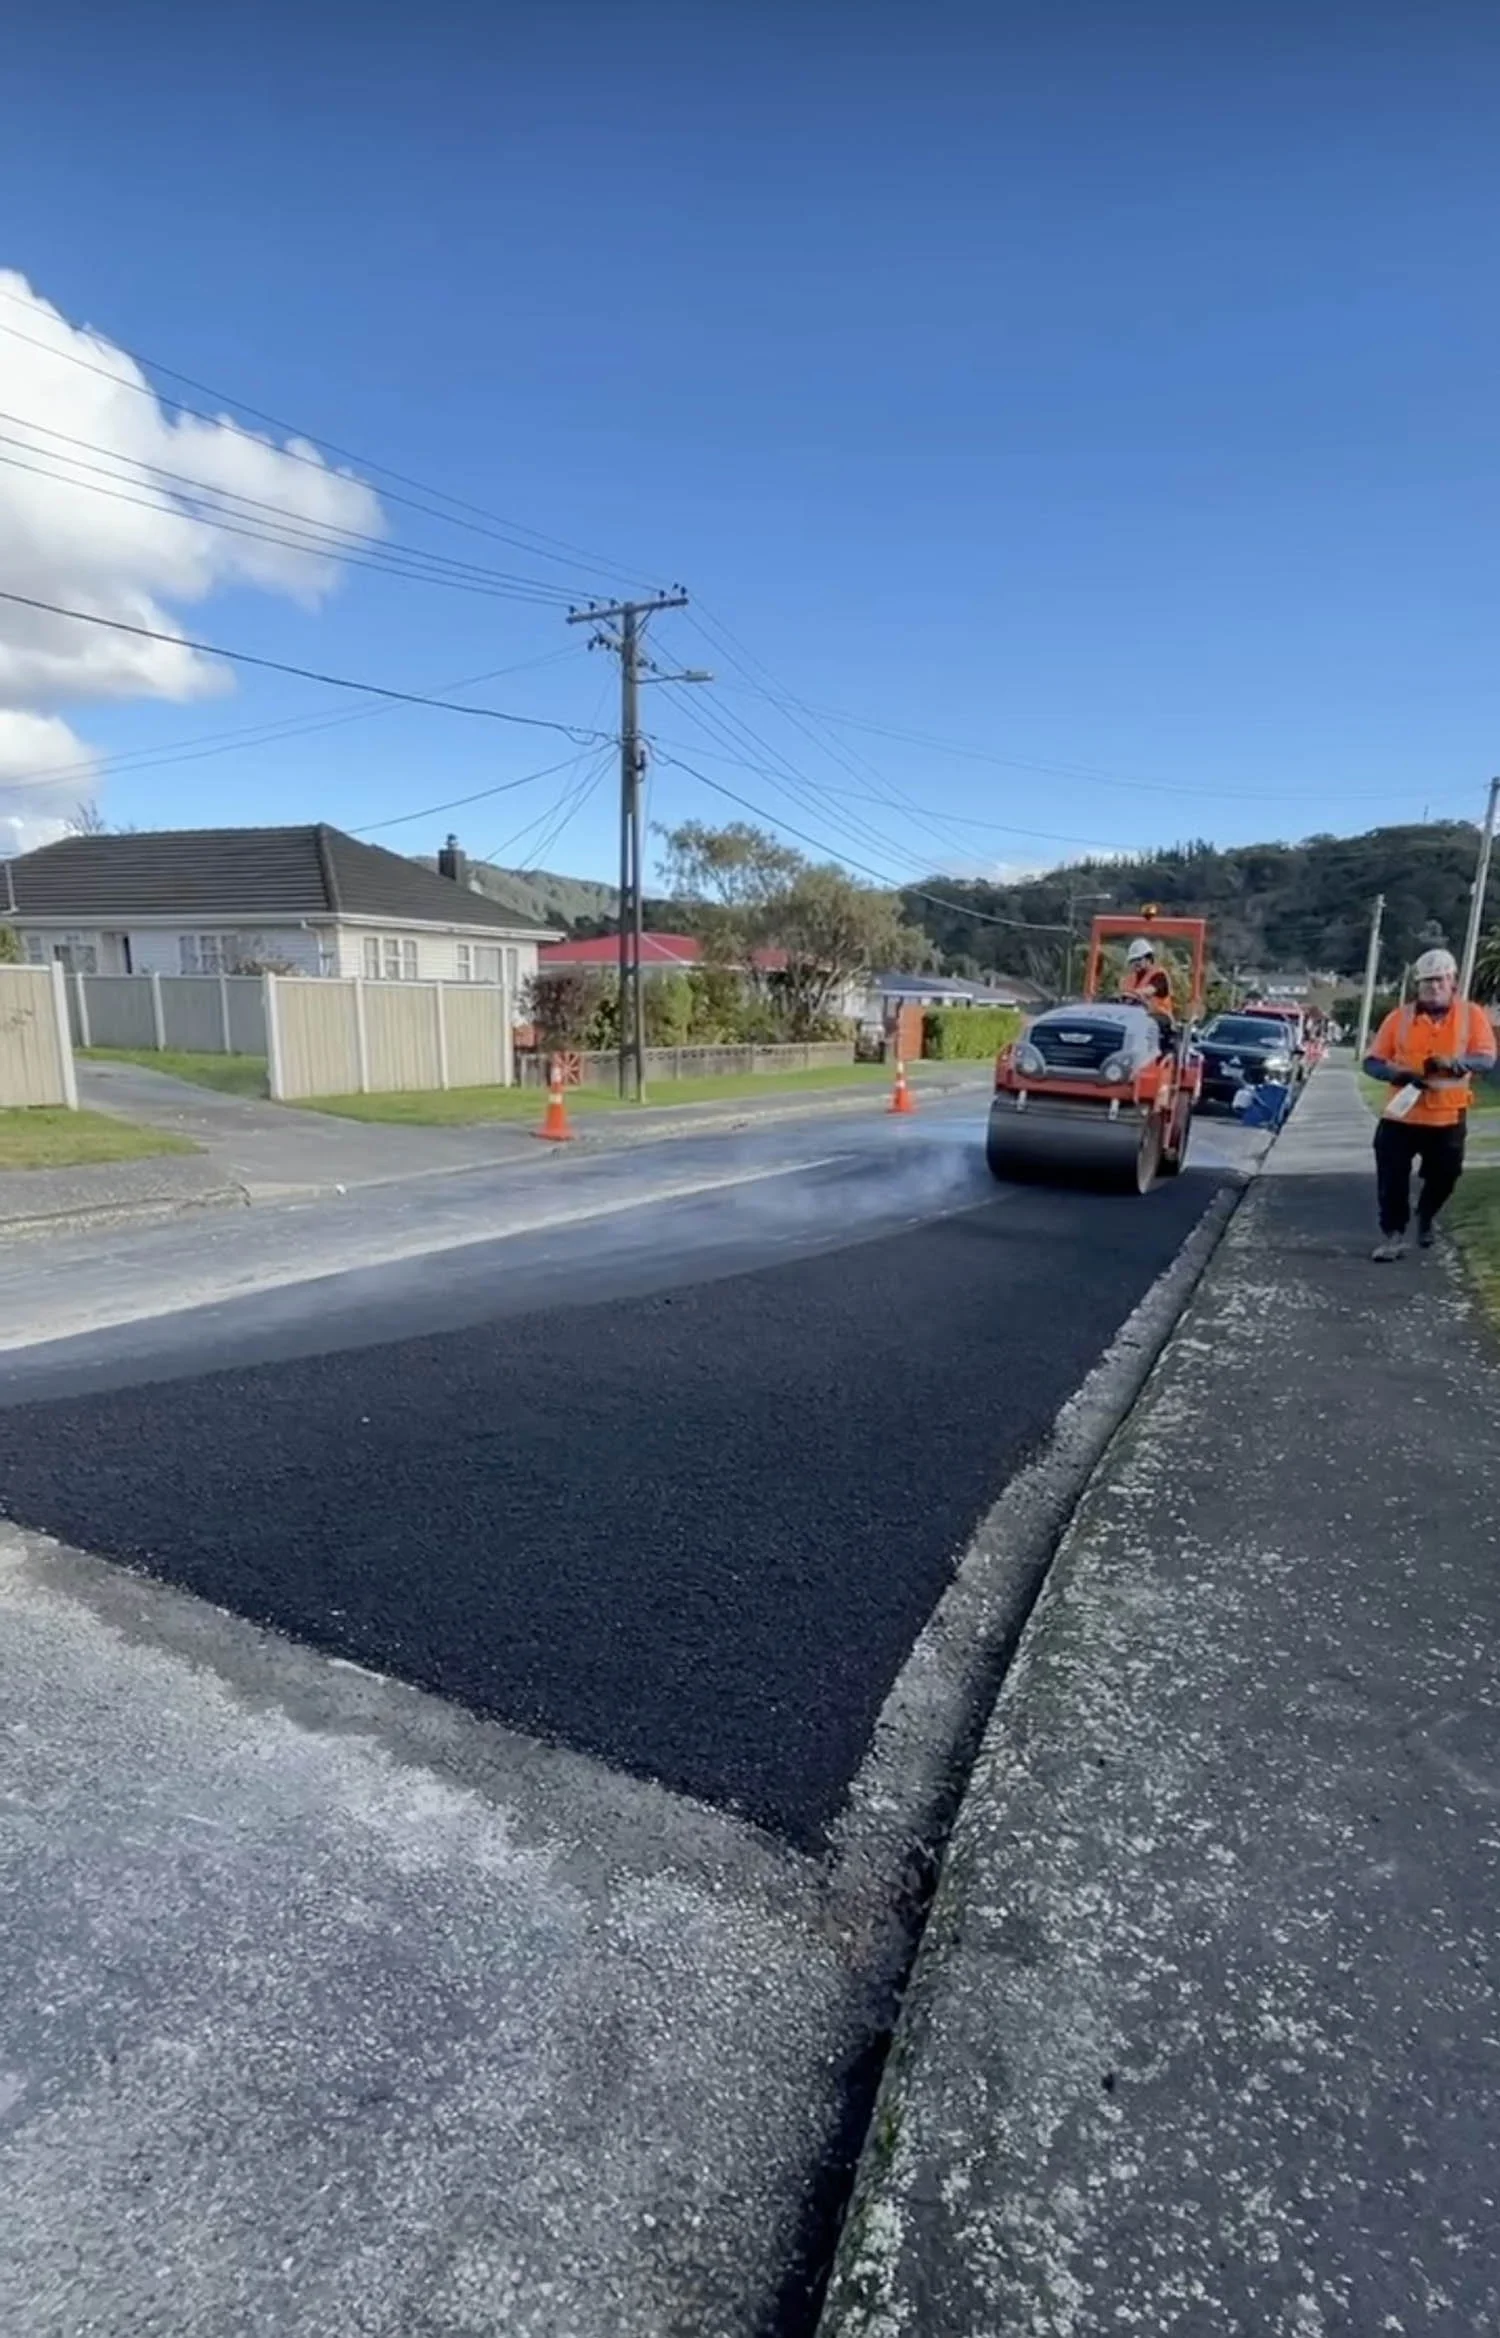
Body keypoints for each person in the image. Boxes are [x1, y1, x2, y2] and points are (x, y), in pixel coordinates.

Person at [1363, 948, 1496, 1261]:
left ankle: (1426, 1215)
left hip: (1447, 1116)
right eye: (1427, 981)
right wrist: (1396, 1073)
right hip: (1401, 1114)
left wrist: (1456, 1064)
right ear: (1418, 985)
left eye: (1440, 980)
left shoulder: (1471, 1016)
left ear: (1452, 981)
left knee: (1446, 1175)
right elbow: (1372, 1062)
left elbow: (1486, 1058)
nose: (1433, 986)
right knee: (1391, 1178)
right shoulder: (1399, 1018)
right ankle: (1393, 1235)